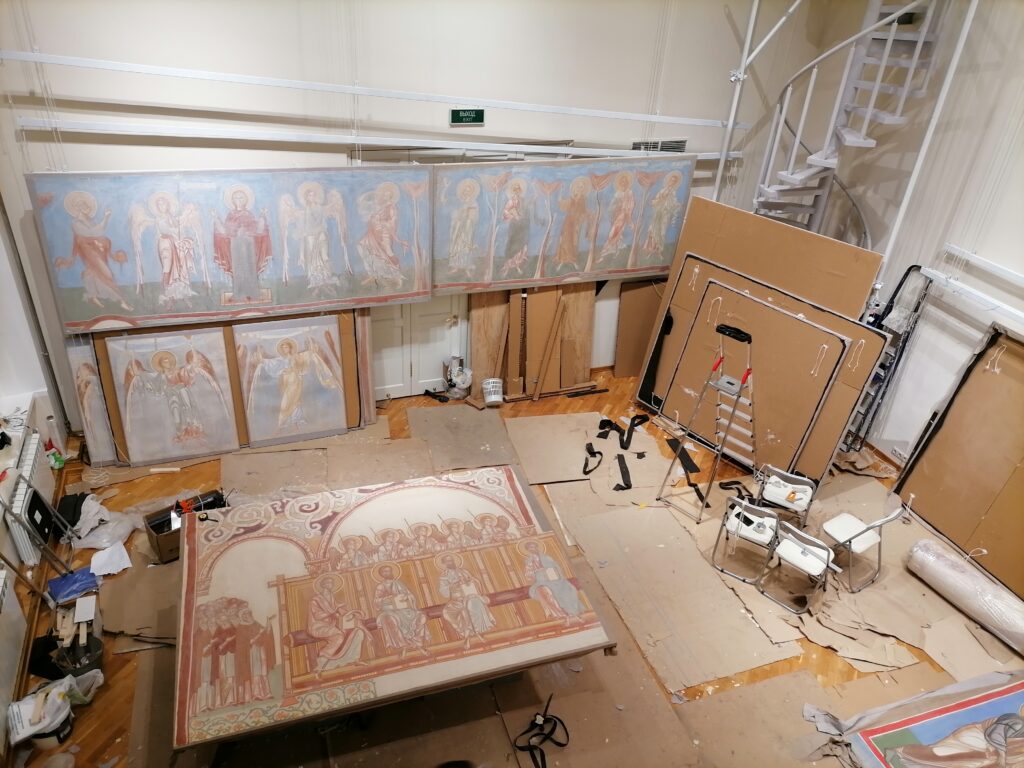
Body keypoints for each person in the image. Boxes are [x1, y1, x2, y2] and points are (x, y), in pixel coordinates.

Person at [56, 191, 133, 311]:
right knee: (106, 273)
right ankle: (121, 300)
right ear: (77, 208)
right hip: (87, 251)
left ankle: (92, 296)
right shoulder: (76, 223)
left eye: (86, 204)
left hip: (98, 250)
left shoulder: (91, 221)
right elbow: (91, 233)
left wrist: (105, 220)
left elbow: (98, 231)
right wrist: (105, 218)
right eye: (83, 205)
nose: (87, 206)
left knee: (93, 272)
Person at [211, 185, 272, 304]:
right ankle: (239, 294)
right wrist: (216, 218)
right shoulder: (230, 215)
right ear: (232, 201)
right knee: (238, 268)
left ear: (246, 200)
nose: (238, 200)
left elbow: (258, 229)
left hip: (249, 244)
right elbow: (224, 231)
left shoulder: (248, 214)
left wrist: (262, 216)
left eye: (241, 197)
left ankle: (253, 293)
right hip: (236, 245)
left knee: (250, 267)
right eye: (236, 198)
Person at [307, 575, 369, 676]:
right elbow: (318, 615)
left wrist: (352, 614)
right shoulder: (315, 600)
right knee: (338, 635)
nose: (330, 584)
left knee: (358, 632)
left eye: (331, 583)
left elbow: (338, 610)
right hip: (318, 626)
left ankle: (354, 659)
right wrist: (333, 612)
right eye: (328, 582)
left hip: (332, 625)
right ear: (323, 585)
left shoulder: (331, 597)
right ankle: (322, 663)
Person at [437, 554, 495, 649]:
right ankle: (467, 633)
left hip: (470, 596)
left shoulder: (464, 571)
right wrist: (452, 586)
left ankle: (469, 636)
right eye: (448, 561)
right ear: (444, 563)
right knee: (447, 612)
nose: (450, 562)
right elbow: (444, 591)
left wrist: (468, 581)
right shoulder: (444, 576)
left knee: (467, 608)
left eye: (451, 560)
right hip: (456, 599)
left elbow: (474, 581)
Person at [356, 182, 407, 288]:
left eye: (387, 194)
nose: (384, 196)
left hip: (384, 234)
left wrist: (381, 221)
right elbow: (373, 216)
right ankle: (372, 274)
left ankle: (396, 273)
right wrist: (372, 218)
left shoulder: (392, 207)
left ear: (391, 196)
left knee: (387, 252)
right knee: (362, 246)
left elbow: (392, 222)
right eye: (384, 194)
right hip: (373, 232)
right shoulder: (380, 206)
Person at [522, 540, 585, 625]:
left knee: (567, 590)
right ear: (528, 550)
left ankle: (574, 613)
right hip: (540, 582)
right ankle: (563, 615)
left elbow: (557, 568)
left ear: (537, 547)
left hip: (554, 579)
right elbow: (528, 576)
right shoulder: (529, 561)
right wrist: (532, 571)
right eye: (530, 548)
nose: (533, 549)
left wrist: (552, 573)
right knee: (545, 593)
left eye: (534, 547)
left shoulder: (546, 558)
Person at [373, 565, 429, 658]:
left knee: (421, 617)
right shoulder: (380, 586)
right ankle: (404, 647)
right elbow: (376, 602)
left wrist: (407, 597)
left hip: (405, 609)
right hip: (391, 611)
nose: (387, 573)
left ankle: (419, 644)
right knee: (391, 620)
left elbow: (410, 595)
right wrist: (388, 599)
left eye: (389, 571)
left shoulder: (399, 583)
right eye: (384, 571)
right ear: (381, 574)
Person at [640, 172, 683, 263]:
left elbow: (673, 204)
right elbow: (655, 201)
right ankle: (651, 250)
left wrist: (678, 205)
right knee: (653, 231)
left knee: (661, 232)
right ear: (668, 181)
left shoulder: (672, 193)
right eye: (671, 180)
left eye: (674, 181)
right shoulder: (662, 191)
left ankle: (658, 251)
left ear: (675, 183)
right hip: (657, 213)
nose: (671, 182)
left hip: (665, 215)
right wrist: (658, 200)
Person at [554, 177, 592, 271]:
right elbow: (562, 204)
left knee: (574, 242)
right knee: (565, 240)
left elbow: (584, 211)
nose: (580, 188)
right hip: (568, 222)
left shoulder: (583, 199)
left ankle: (573, 260)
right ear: (576, 187)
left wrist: (588, 216)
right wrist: (561, 191)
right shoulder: (572, 198)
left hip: (576, 223)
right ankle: (563, 260)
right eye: (579, 186)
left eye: (582, 187)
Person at [599, 171, 635, 261]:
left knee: (614, 233)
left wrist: (626, 210)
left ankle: (606, 251)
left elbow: (631, 204)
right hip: (616, 215)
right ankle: (614, 251)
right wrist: (615, 207)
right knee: (615, 234)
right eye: (621, 182)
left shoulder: (629, 193)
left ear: (627, 183)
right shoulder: (618, 193)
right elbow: (612, 205)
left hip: (623, 216)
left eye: (625, 181)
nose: (623, 183)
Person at [447, 178, 479, 277]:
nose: (466, 192)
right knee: (457, 247)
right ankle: (456, 266)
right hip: (459, 227)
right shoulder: (461, 202)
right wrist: (457, 217)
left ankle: (466, 267)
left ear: (472, 193)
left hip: (467, 229)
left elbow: (473, 216)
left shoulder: (473, 203)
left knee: (466, 247)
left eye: (468, 191)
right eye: (465, 191)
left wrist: (467, 215)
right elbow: (457, 214)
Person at [500, 179, 530, 277]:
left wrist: (522, 217)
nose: (517, 191)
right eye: (515, 190)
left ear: (520, 191)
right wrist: (513, 215)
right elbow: (505, 212)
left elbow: (526, 212)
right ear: (513, 191)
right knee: (512, 246)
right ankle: (508, 266)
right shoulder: (511, 201)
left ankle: (517, 265)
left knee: (520, 246)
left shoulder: (524, 201)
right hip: (514, 226)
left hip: (522, 227)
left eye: (518, 190)